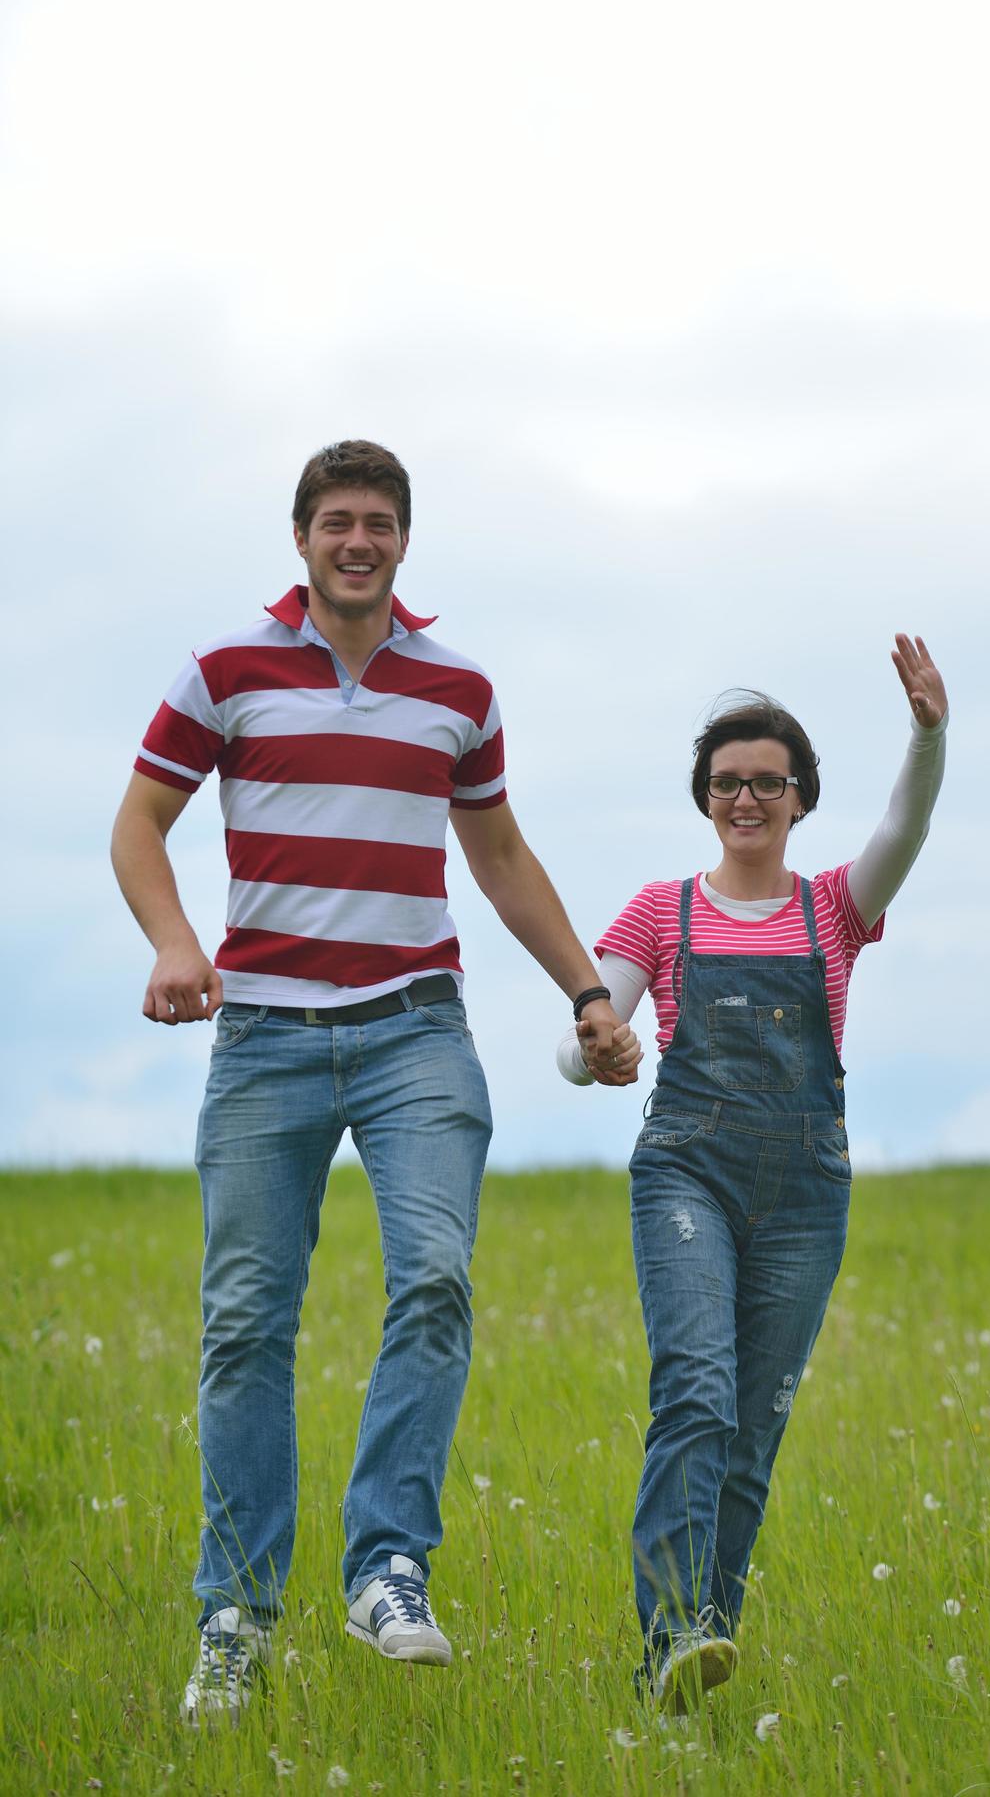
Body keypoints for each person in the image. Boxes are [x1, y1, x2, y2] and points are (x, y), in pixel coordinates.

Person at [111, 439, 640, 1726]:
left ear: (405, 540)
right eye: (338, 521)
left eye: (381, 523)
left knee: (438, 1278)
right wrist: (179, 945)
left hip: (417, 1032)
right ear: (300, 538)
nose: (360, 540)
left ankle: (387, 1566)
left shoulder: (458, 686)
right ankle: (233, 1616)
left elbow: (501, 853)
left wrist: (586, 990)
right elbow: (139, 824)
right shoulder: (226, 669)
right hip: (268, 1040)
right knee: (246, 1322)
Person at [559, 637, 947, 1710]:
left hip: (806, 1189)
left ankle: (684, 1660)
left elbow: (904, 827)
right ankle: (675, 1625)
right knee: (696, 1391)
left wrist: (929, 733)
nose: (746, 797)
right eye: (728, 782)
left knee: (753, 1425)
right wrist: (595, 1046)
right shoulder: (659, 910)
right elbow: (591, 1025)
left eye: (767, 781)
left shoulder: (834, 908)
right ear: (705, 797)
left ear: (799, 797)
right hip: (687, 1170)